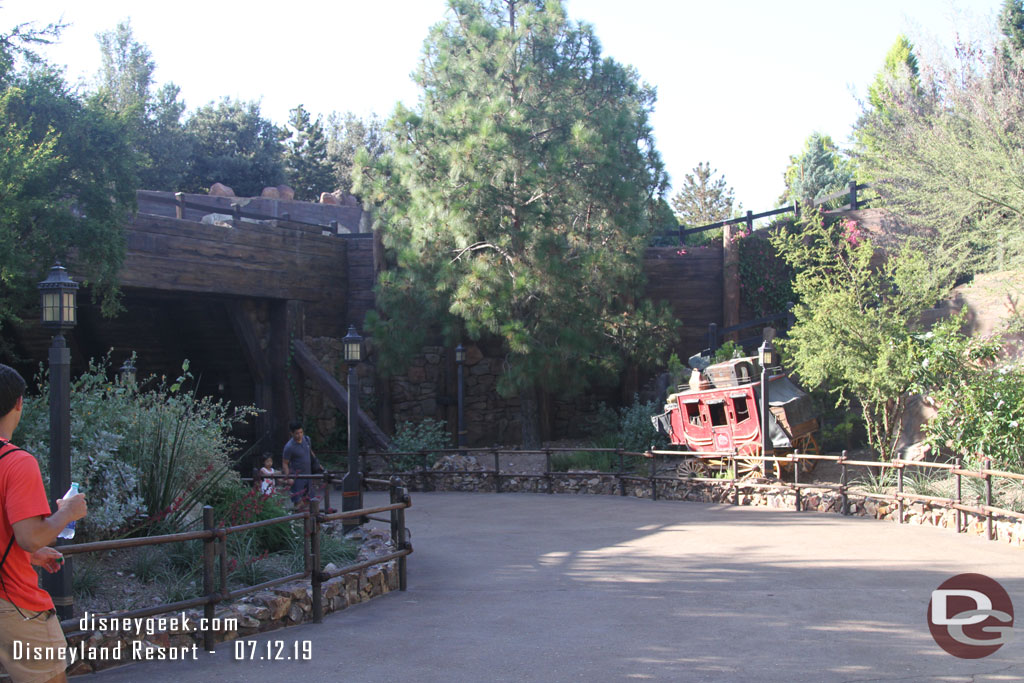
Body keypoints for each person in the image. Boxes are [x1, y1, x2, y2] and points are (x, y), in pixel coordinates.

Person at [0, 364, 87, 683]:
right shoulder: (17, 463)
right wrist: (68, 512)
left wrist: (27, 555)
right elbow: (30, 537)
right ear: (19, 403)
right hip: (15, 604)